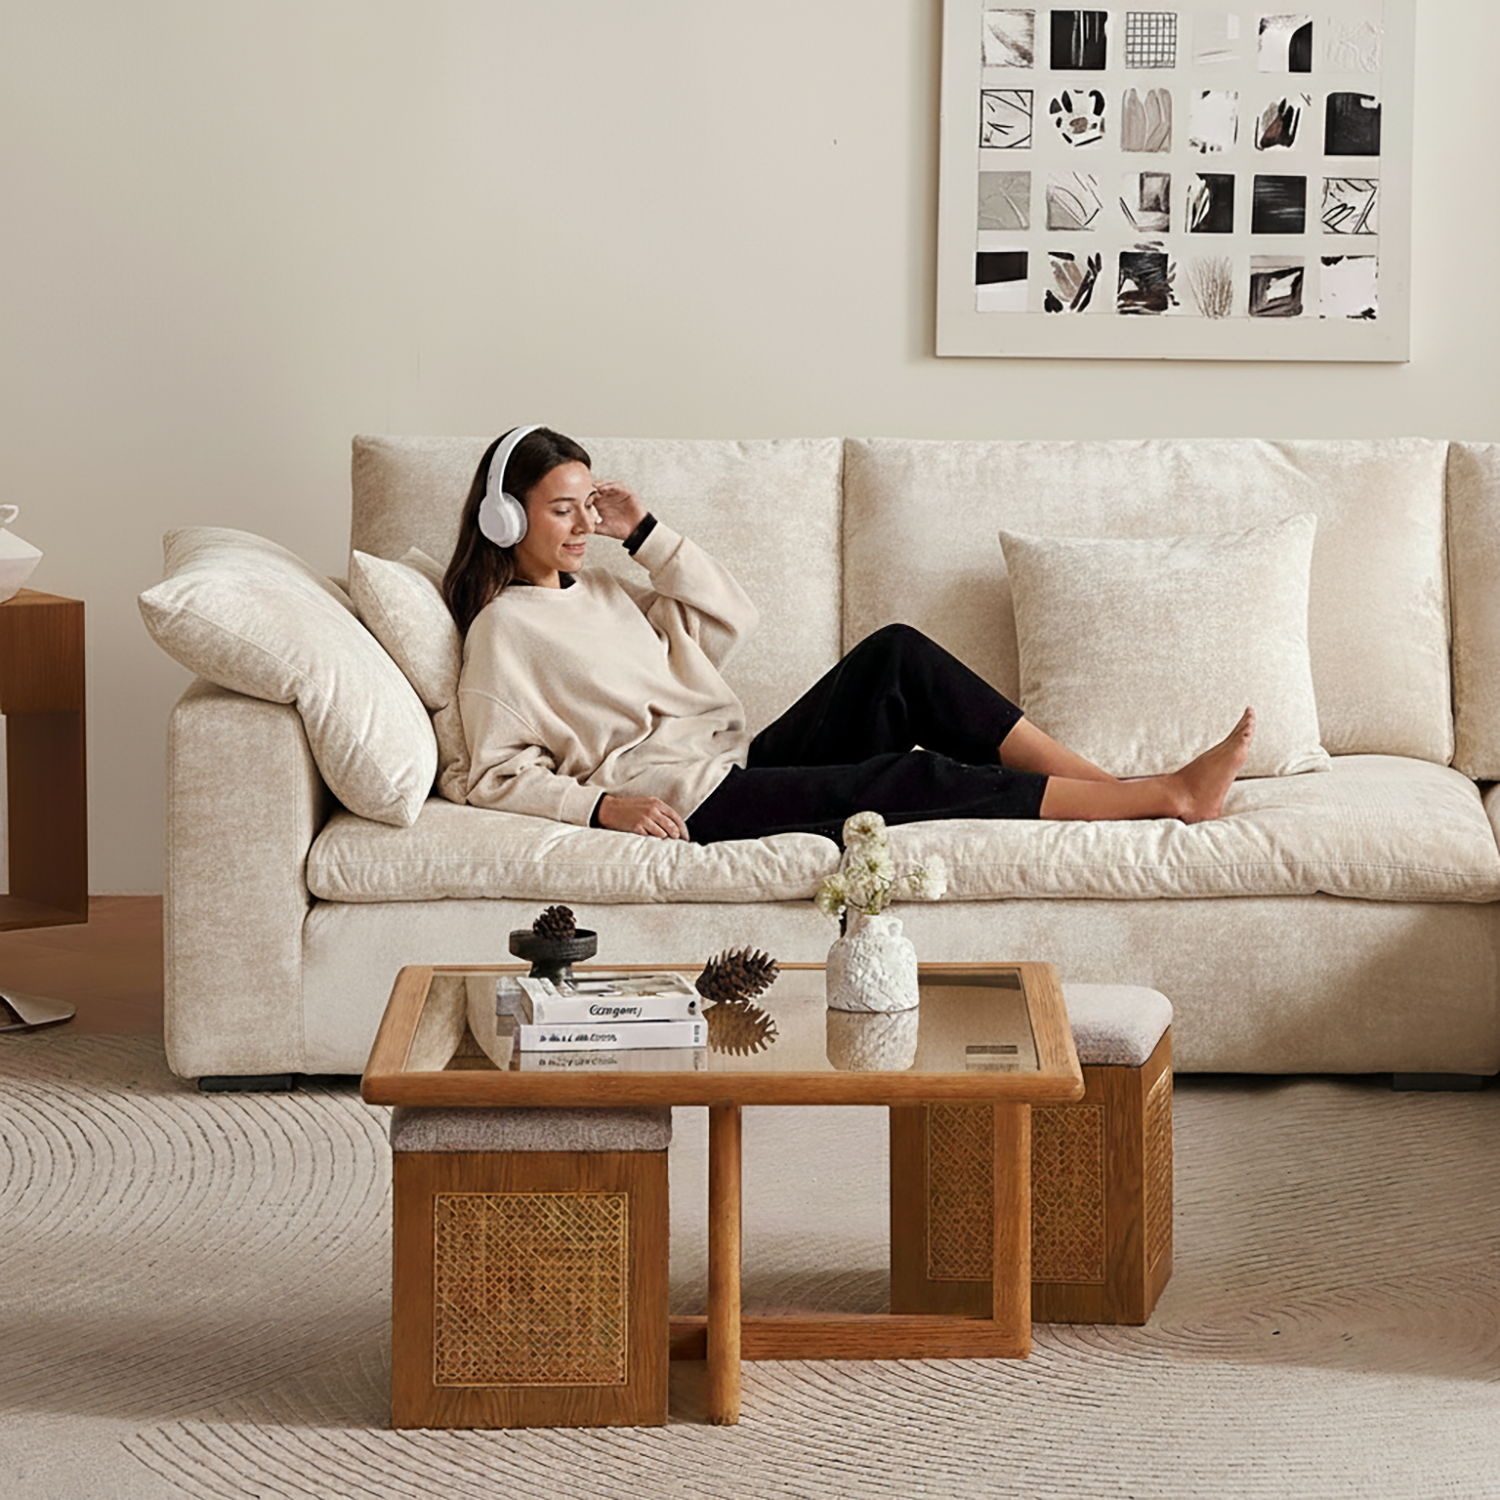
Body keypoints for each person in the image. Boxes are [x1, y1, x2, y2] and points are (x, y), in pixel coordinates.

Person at [443, 425, 1255, 844]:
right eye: (563, 509)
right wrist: (601, 809)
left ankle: (1110, 787)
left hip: (732, 764)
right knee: (906, 779)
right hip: (691, 802)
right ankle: (1165, 799)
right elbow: (488, 776)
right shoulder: (504, 633)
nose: (585, 523)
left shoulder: (604, 587)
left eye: (590, 503)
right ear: (505, 518)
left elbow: (728, 620)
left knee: (895, 655)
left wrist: (646, 531)